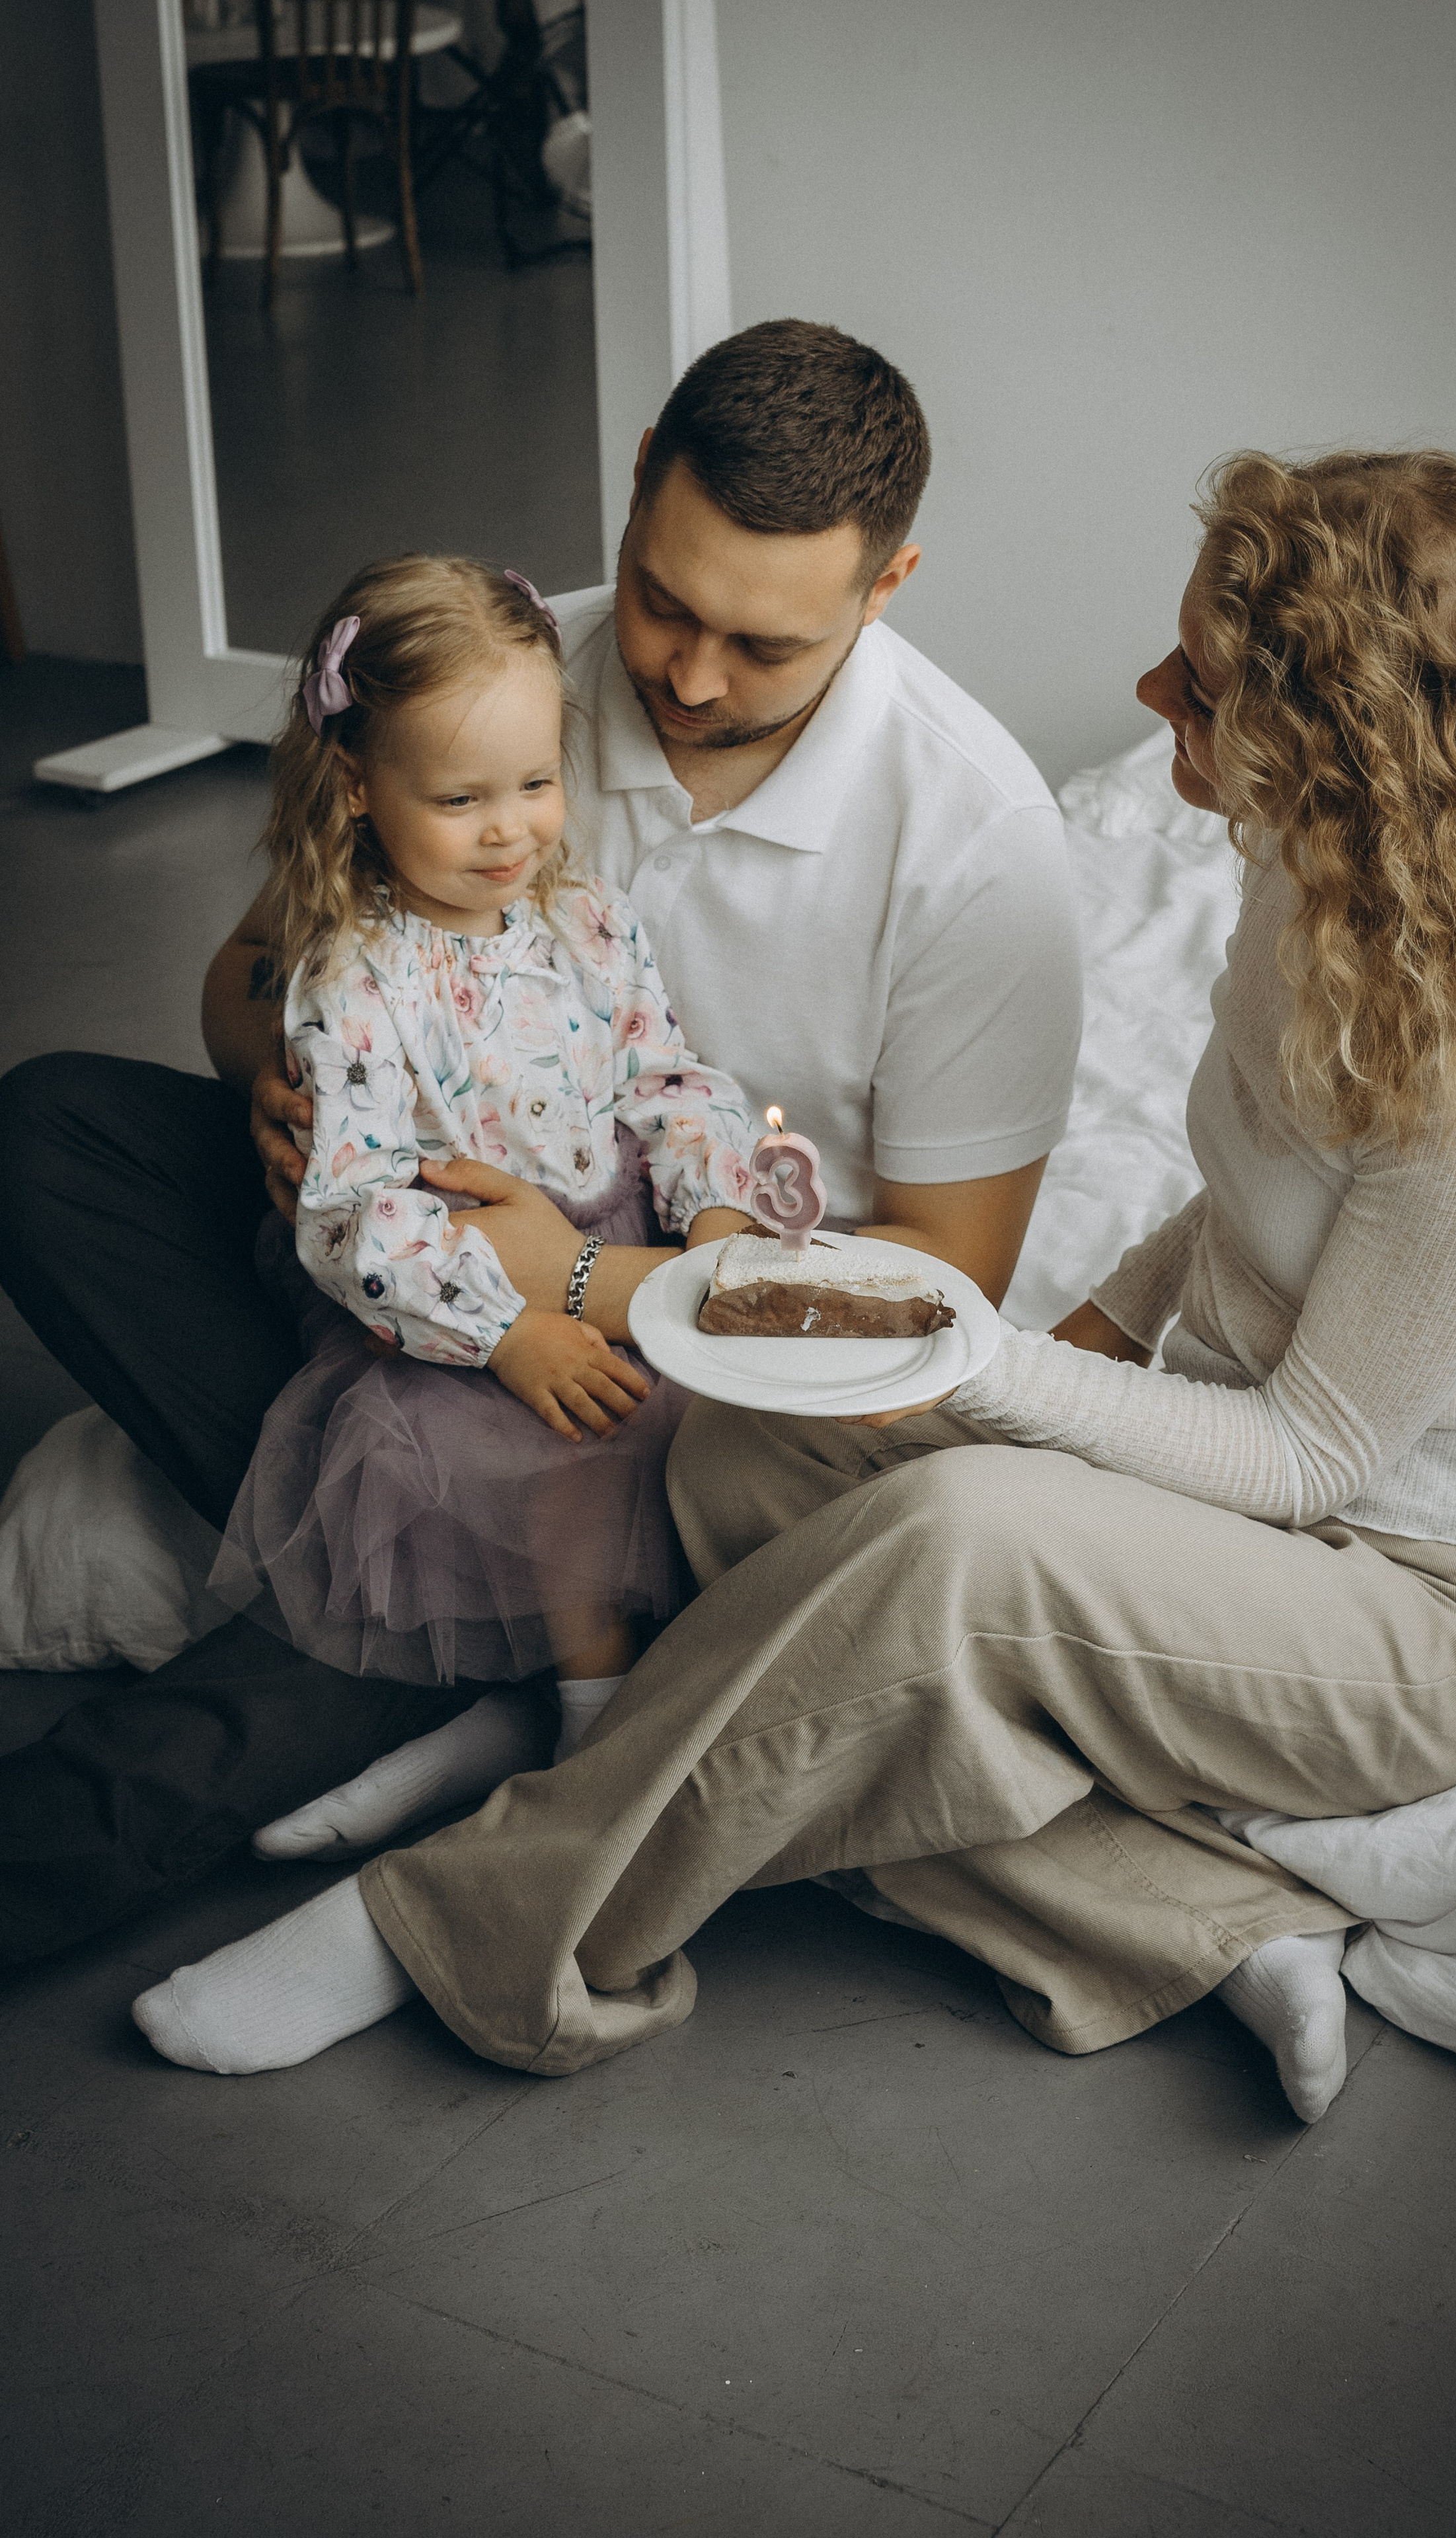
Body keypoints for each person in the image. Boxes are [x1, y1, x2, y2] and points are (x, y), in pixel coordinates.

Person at [134, 449, 1456, 2120]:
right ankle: (1188, 1918)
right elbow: (1235, 1212)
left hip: (1410, 1604)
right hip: (1234, 1460)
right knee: (737, 1449)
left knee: (953, 1540)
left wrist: (982, 1374)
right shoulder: (1308, 887)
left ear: (1344, 749)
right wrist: (1068, 1350)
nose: (1148, 689)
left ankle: (459, 1925)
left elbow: (1314, 1463)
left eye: (1205, 685)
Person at [0, 321, 1079, 1962]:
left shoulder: (979, 848)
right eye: (664, 599)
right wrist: (283, 1092)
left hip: (694, 1364)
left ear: (887, 583)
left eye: (764, 645)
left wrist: (579, 1274)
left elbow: (941, 1294)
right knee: (50, 1130)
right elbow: (253, 973)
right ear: (638, 476)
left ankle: (398, 1618)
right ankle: (477, 1596)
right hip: (405, 1275)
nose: (689, 675)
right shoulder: (499, 667)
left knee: (375, 1554)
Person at [209, 553, 763, 1865]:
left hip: (605, 1246)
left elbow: (667, 1079)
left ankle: (546, 1721)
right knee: (565, 1467)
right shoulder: (354, 979)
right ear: (358, 787)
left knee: (718, 1459)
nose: (511, 830)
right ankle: (588, 1727)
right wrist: (509, 1332)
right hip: (441, 1300)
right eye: (459, 800)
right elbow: (354, 1211)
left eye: (534, 784)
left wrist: (712, 1218)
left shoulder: (590, 925)